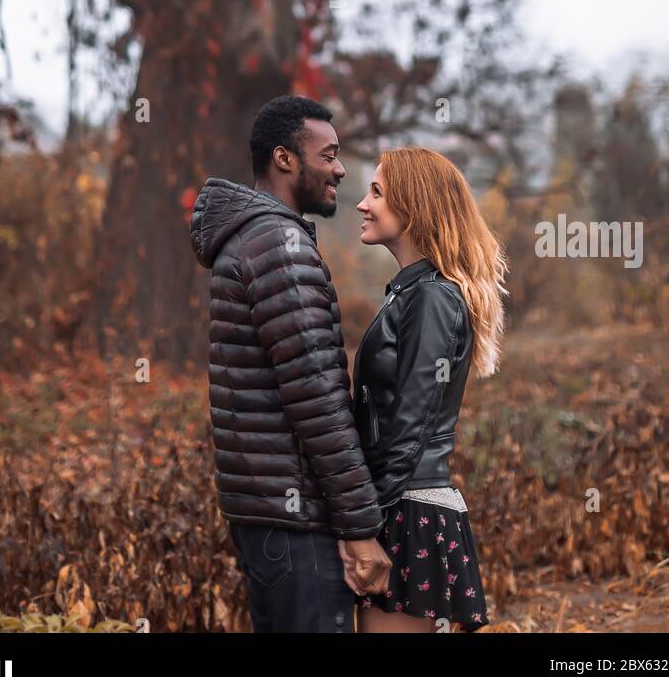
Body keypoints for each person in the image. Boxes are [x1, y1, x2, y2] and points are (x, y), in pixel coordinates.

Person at [189, 95, 391, 634]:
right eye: (328, 155)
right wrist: (360, 527)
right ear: (284, 159)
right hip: (295, 519)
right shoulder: (279, 246)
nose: (340, 169)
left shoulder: (255, 239)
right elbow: (319, 403)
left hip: (270, 512)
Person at [349, 146, 507, 633]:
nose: (362, 203)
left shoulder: (432, 299)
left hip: (405, 510)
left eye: (376, 192)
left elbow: (412, 426)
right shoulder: (411, 293)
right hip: (397, 504)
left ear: (412, 207)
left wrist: (366, 525)